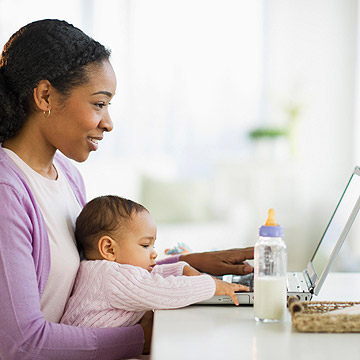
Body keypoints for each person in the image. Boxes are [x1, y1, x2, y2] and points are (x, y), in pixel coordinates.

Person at [0, 19, 254, 359]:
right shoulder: (8, 193)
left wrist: (185, 262)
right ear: (45, 95)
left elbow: (92, 268)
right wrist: (141, 339)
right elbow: (22, 344)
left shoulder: (68, 177)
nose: (108, 122)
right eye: (98, 103)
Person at [61, 195, 249, 329]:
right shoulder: (111, 277)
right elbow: (163, 291)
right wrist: (212, 285)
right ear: (109, 249)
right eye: (145, 245)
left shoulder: (102, 270)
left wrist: (182, 268)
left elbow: (149, 278)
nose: (154, 254)